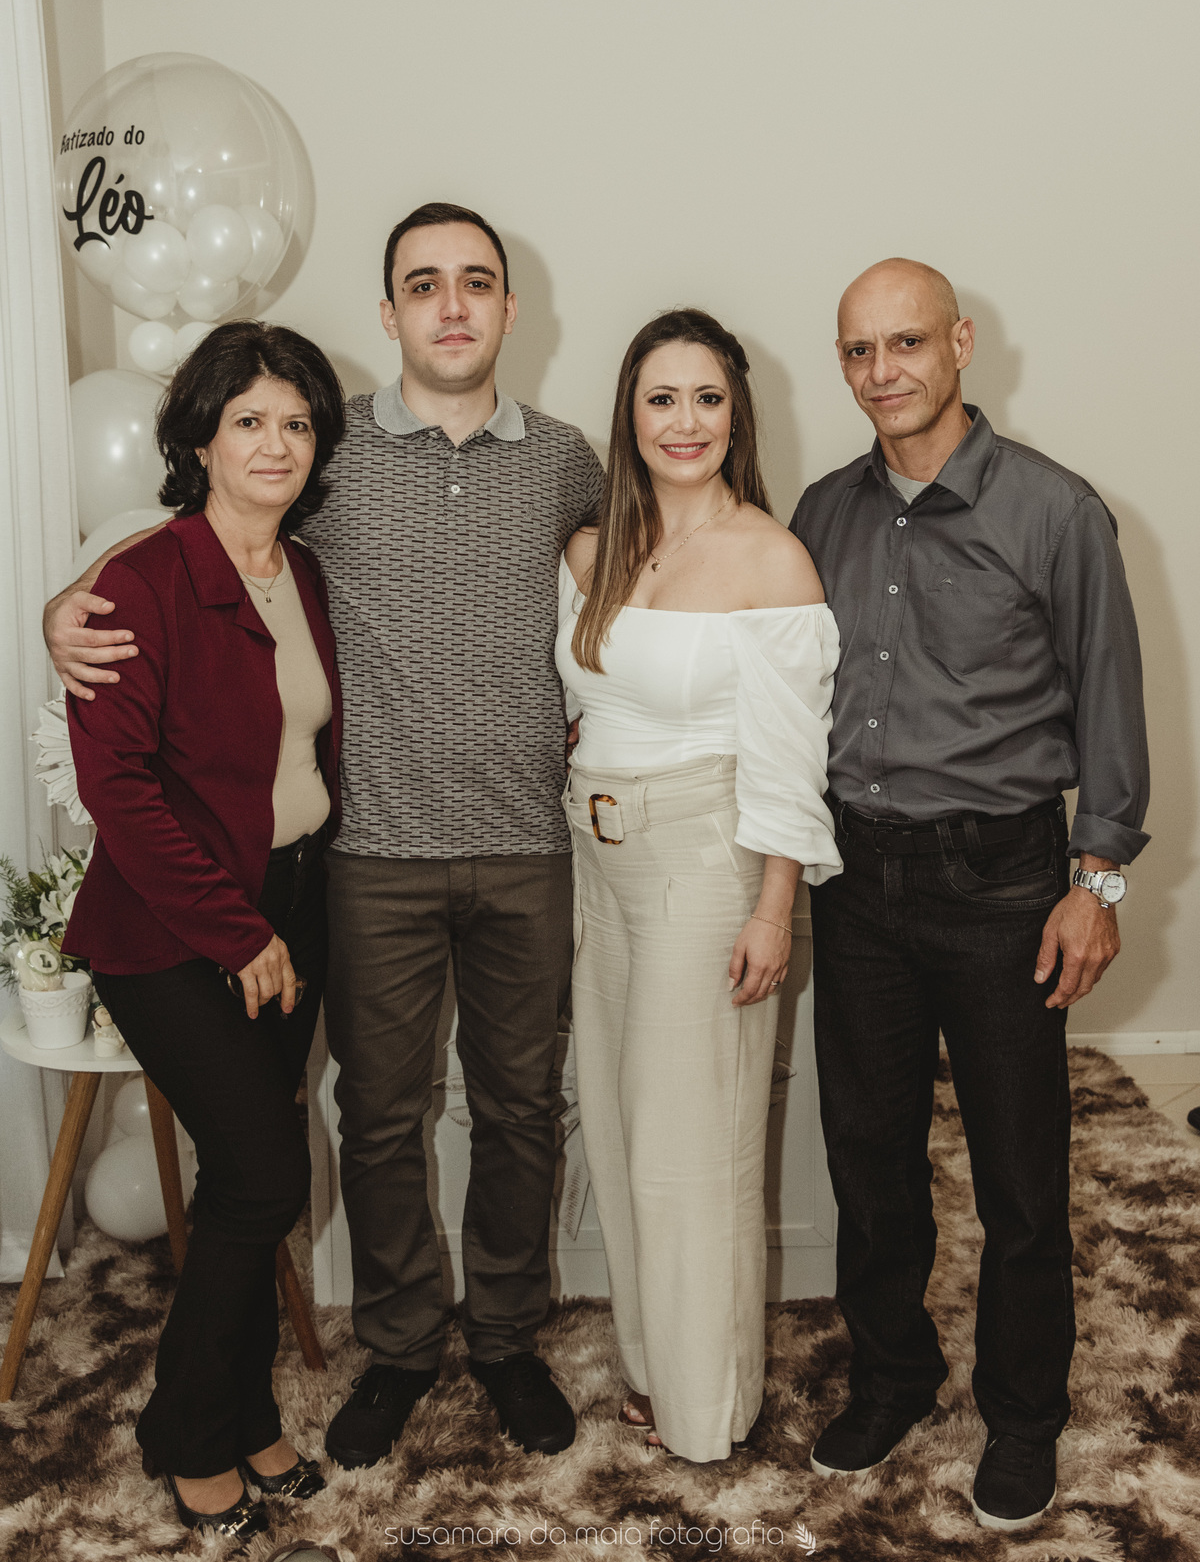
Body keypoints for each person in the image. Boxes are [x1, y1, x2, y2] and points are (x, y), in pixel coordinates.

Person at [49, 204, 604, 1467]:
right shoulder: (328, 451)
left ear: (511, 308)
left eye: (477, 282)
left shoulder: (567, 461)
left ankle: (505, 1339)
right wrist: (57, 608)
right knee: (380, 1116)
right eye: (425, 283)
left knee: (523, 1108)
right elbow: (188, 544)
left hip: (527, 844)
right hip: (370, 860)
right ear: (390, 311)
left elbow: (640, 578)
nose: (452, 304)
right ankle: (400, 1346)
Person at [792, 259, 1150, 1532]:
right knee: (868, 1156)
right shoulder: (823, 511)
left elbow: (1111, 704)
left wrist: (1094, 882)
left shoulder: (1055, 510)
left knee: (1019, 1173)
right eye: (858, 350)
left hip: (1003, 881)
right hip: (858, 877)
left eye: (905, 343)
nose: (881, 371)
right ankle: (893, 1374)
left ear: (960, 343)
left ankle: (1024, 1413)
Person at [61, 321, 346, 1537]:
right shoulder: (142, 580)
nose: (276, 444)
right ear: (200, 438)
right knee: (269, 1171)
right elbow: (118, 791)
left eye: (297, 422)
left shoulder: (306, 571)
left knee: (246, 1174)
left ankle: (241, 1409)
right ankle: (184, 1427)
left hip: (294, 901)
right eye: (249, 421)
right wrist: (237, 933)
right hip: (171, 929)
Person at [556, 309, 842, 1461]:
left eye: (708, 398)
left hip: (705, 863)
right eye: (662, 398)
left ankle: (709, 1408)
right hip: (597, 863)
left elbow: (791, 756)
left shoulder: (771, 558)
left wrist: (774, 907)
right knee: (624, 1134)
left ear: (738, 415)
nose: (686, 422)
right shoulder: (592, 553)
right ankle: (653, 1367)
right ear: (629, 414)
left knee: (692, 1153)